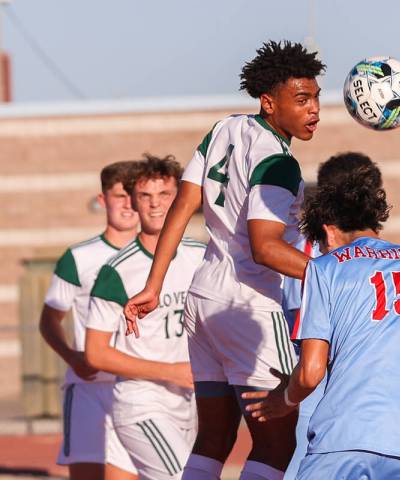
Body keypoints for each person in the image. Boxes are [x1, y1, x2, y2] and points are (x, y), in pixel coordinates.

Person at [122, 40, 325, 480]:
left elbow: (182, 207)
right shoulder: (278, 161)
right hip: (248, 305)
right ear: (269, 102)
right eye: (302, 99)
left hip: (202, 299)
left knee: (213, 440)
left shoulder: (223, 129)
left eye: (316, 98)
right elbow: (265, 247)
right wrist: (334, 275)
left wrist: (155, 284)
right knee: (277, 442)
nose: (315, 110)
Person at [242, 157, 400, 479]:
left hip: (342, 436)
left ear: (329, 232)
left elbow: (311, 372)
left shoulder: (325, 269)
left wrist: (284, 400)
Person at [85, 155, 205, 479]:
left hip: (190, 404)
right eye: (145, 196)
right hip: (142, 403)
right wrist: (169, 371)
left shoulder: (201, 256)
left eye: (164, 194)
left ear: (181, 199)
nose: (154, 205)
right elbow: (95, 353)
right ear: (134, 204)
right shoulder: (117, 271)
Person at [280, 152, 381, 480]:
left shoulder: (371, 255)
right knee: (303, 459)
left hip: (341, 375)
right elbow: (299, 318)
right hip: (318, 373)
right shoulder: (307, 251)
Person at [39, 160, 139, 480]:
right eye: (119, 195)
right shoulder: (79, 257)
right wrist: (73, 357)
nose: (127, 204)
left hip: (142, 388)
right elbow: (49, 320)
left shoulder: (161, 256)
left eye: (133, 195)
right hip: (90, 390)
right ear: (102, 200)